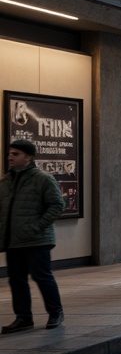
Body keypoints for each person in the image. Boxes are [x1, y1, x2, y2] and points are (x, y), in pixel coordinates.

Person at [0, 139, 64, 333]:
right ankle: (23, 318)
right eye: (10, 153)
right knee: (16, 279)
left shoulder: (43, 179)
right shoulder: (5, 181)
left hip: (37, 239)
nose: (11, 156)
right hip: (14, 240)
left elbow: (57, 204)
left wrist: (39, 226)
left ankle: (55, 312)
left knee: (41, 276)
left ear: (28, 157)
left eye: (16, 154)